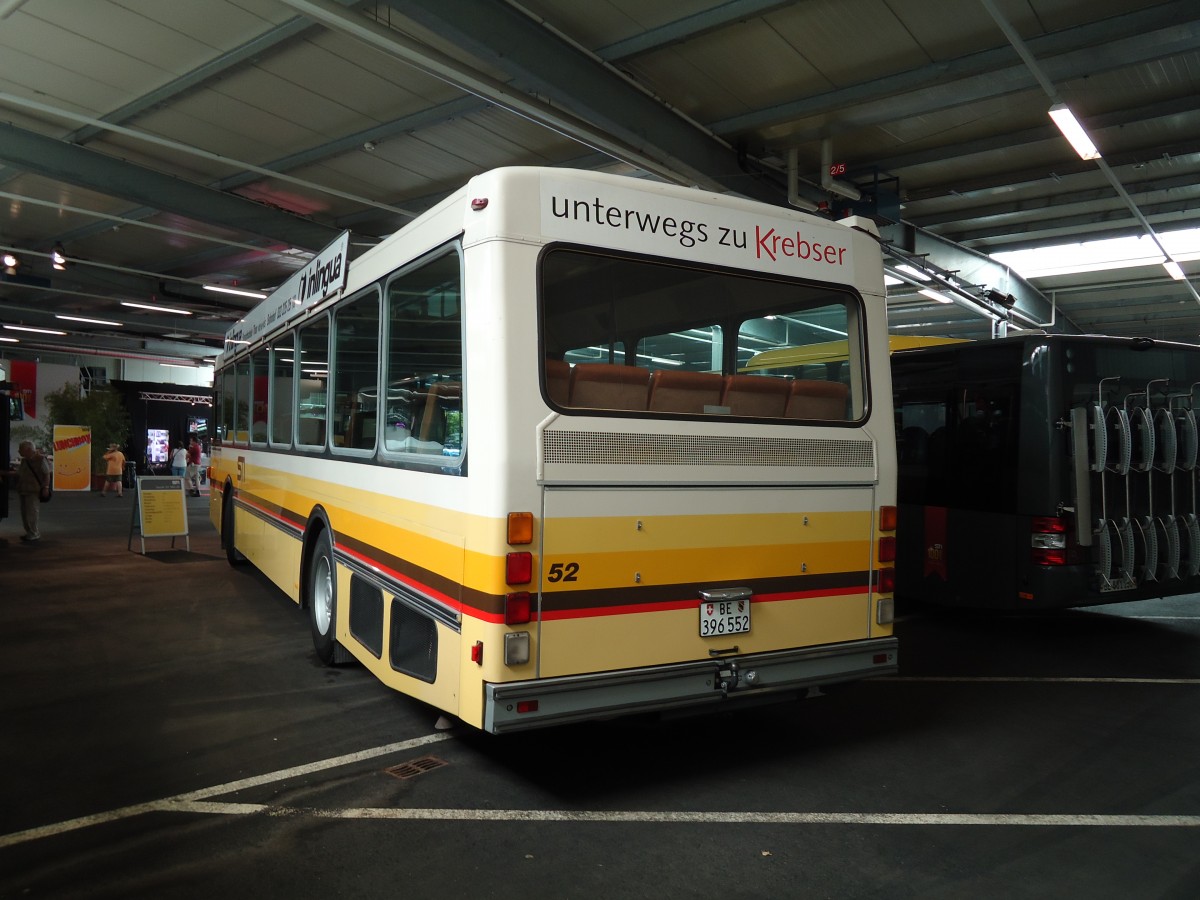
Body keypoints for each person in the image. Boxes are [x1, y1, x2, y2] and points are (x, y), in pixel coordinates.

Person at [14, 440, 51, 542]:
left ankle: (34, 533)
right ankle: (29, 532)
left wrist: (46, 487)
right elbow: (19, 473)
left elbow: (47, 474)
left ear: (28, 449)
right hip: (23, 489)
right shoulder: (24, 461)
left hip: (34, 490)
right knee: (25, 513)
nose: (19, 451)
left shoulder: (41, 459)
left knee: (32, 512)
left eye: (21, 449)